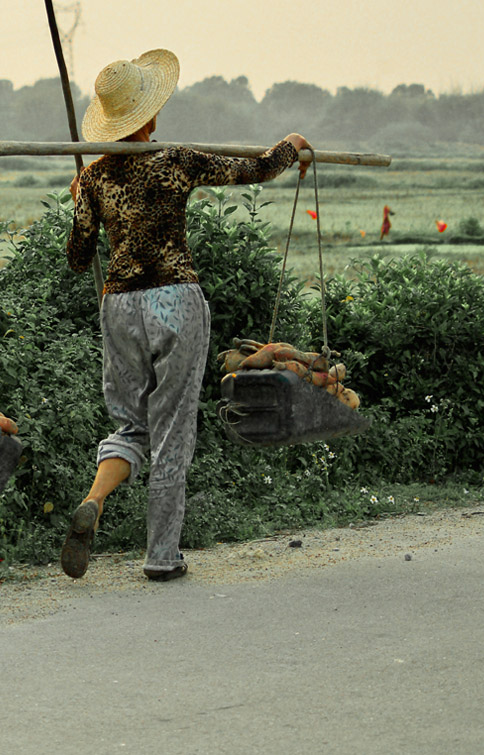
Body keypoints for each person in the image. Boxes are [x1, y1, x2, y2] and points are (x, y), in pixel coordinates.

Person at [61, 49, 312, 581]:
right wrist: (291, 145)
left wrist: (81, 196)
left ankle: (95, 498)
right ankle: (161, 557)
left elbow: (79, 258)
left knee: (131, 424)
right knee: (172, 428)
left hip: (120, 305)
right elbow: (258, 168)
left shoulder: (96, 178)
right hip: (175, 297)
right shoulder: (176, 159)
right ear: (149, 116)